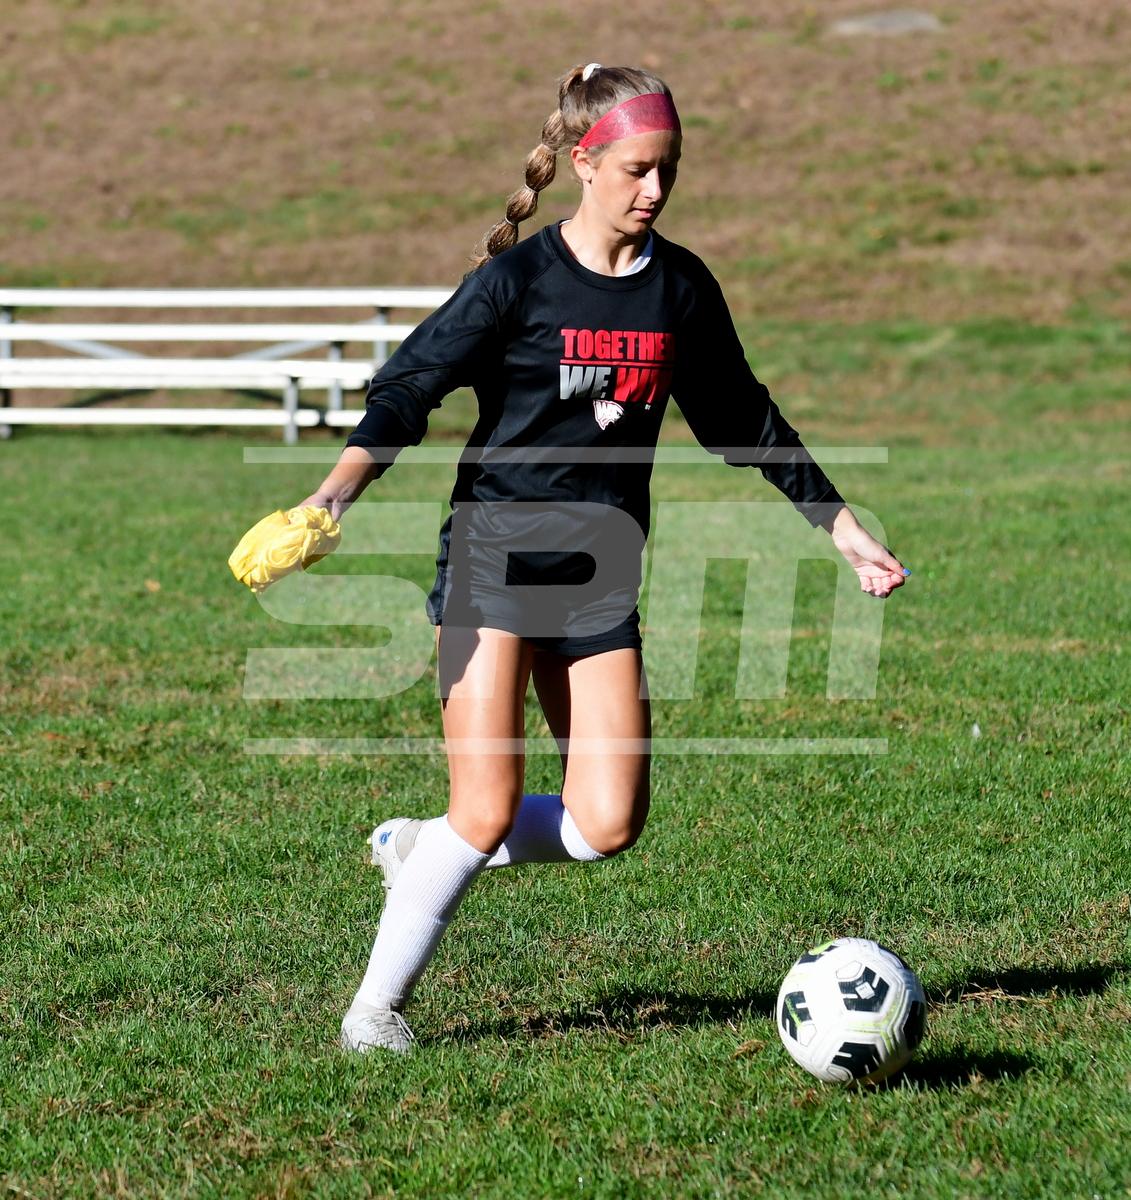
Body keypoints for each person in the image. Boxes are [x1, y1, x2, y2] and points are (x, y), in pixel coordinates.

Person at [296, 63, 909, 1055]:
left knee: (606, 823)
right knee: (485, 810)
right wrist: (335, 492)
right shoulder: (517, 282)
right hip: (493, 560)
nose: (654, 189)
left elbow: (742, 416)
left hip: (598, 579)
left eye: (668, 169)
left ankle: (419, 848)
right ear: (583, 163)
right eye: (635, 169)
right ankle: (374, 1010)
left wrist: (839, 524)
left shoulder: (680, 289)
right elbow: (408, 388)